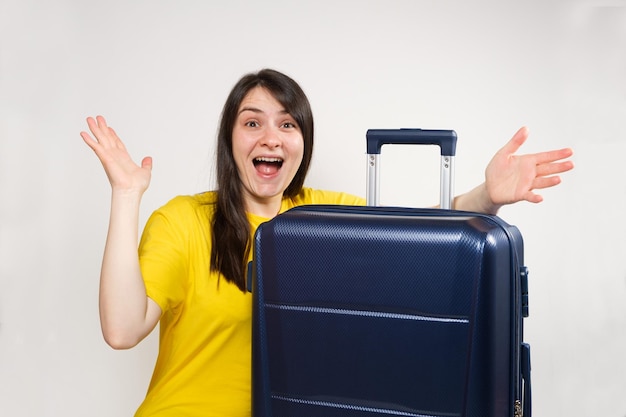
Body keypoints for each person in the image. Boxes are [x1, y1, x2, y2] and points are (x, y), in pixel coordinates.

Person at [80, 68, 574, 417]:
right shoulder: (185, 220)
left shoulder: (326, 217)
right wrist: (126, 195)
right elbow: (122, 330)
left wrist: (488, 196)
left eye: (287, 124)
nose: (270, 138)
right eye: (252, 122)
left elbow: (423, 241)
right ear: (230, 141)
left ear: (303, 141)